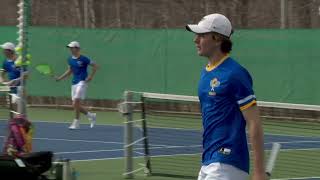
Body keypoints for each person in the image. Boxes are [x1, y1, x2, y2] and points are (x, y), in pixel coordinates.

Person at [186, 14, 265, 180]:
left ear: (217, 39)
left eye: (201, 35)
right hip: (209, 159)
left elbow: (253, 121)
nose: (195, 40)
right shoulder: (205, 73)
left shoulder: (235, 74)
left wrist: (259, 171)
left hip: (228, 160)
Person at [56, 41, 98, 129]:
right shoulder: (69, 59)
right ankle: (91, 115)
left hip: (82, 82)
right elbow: (70, 71)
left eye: (72, 48)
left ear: (77, 48)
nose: (70, 49)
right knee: (75, 105)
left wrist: (91, 76)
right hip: (74, 83)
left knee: (76, 102)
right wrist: (60, 78)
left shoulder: (84, 59)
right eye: (70, 48)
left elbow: (95, 66)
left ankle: (76, 122)